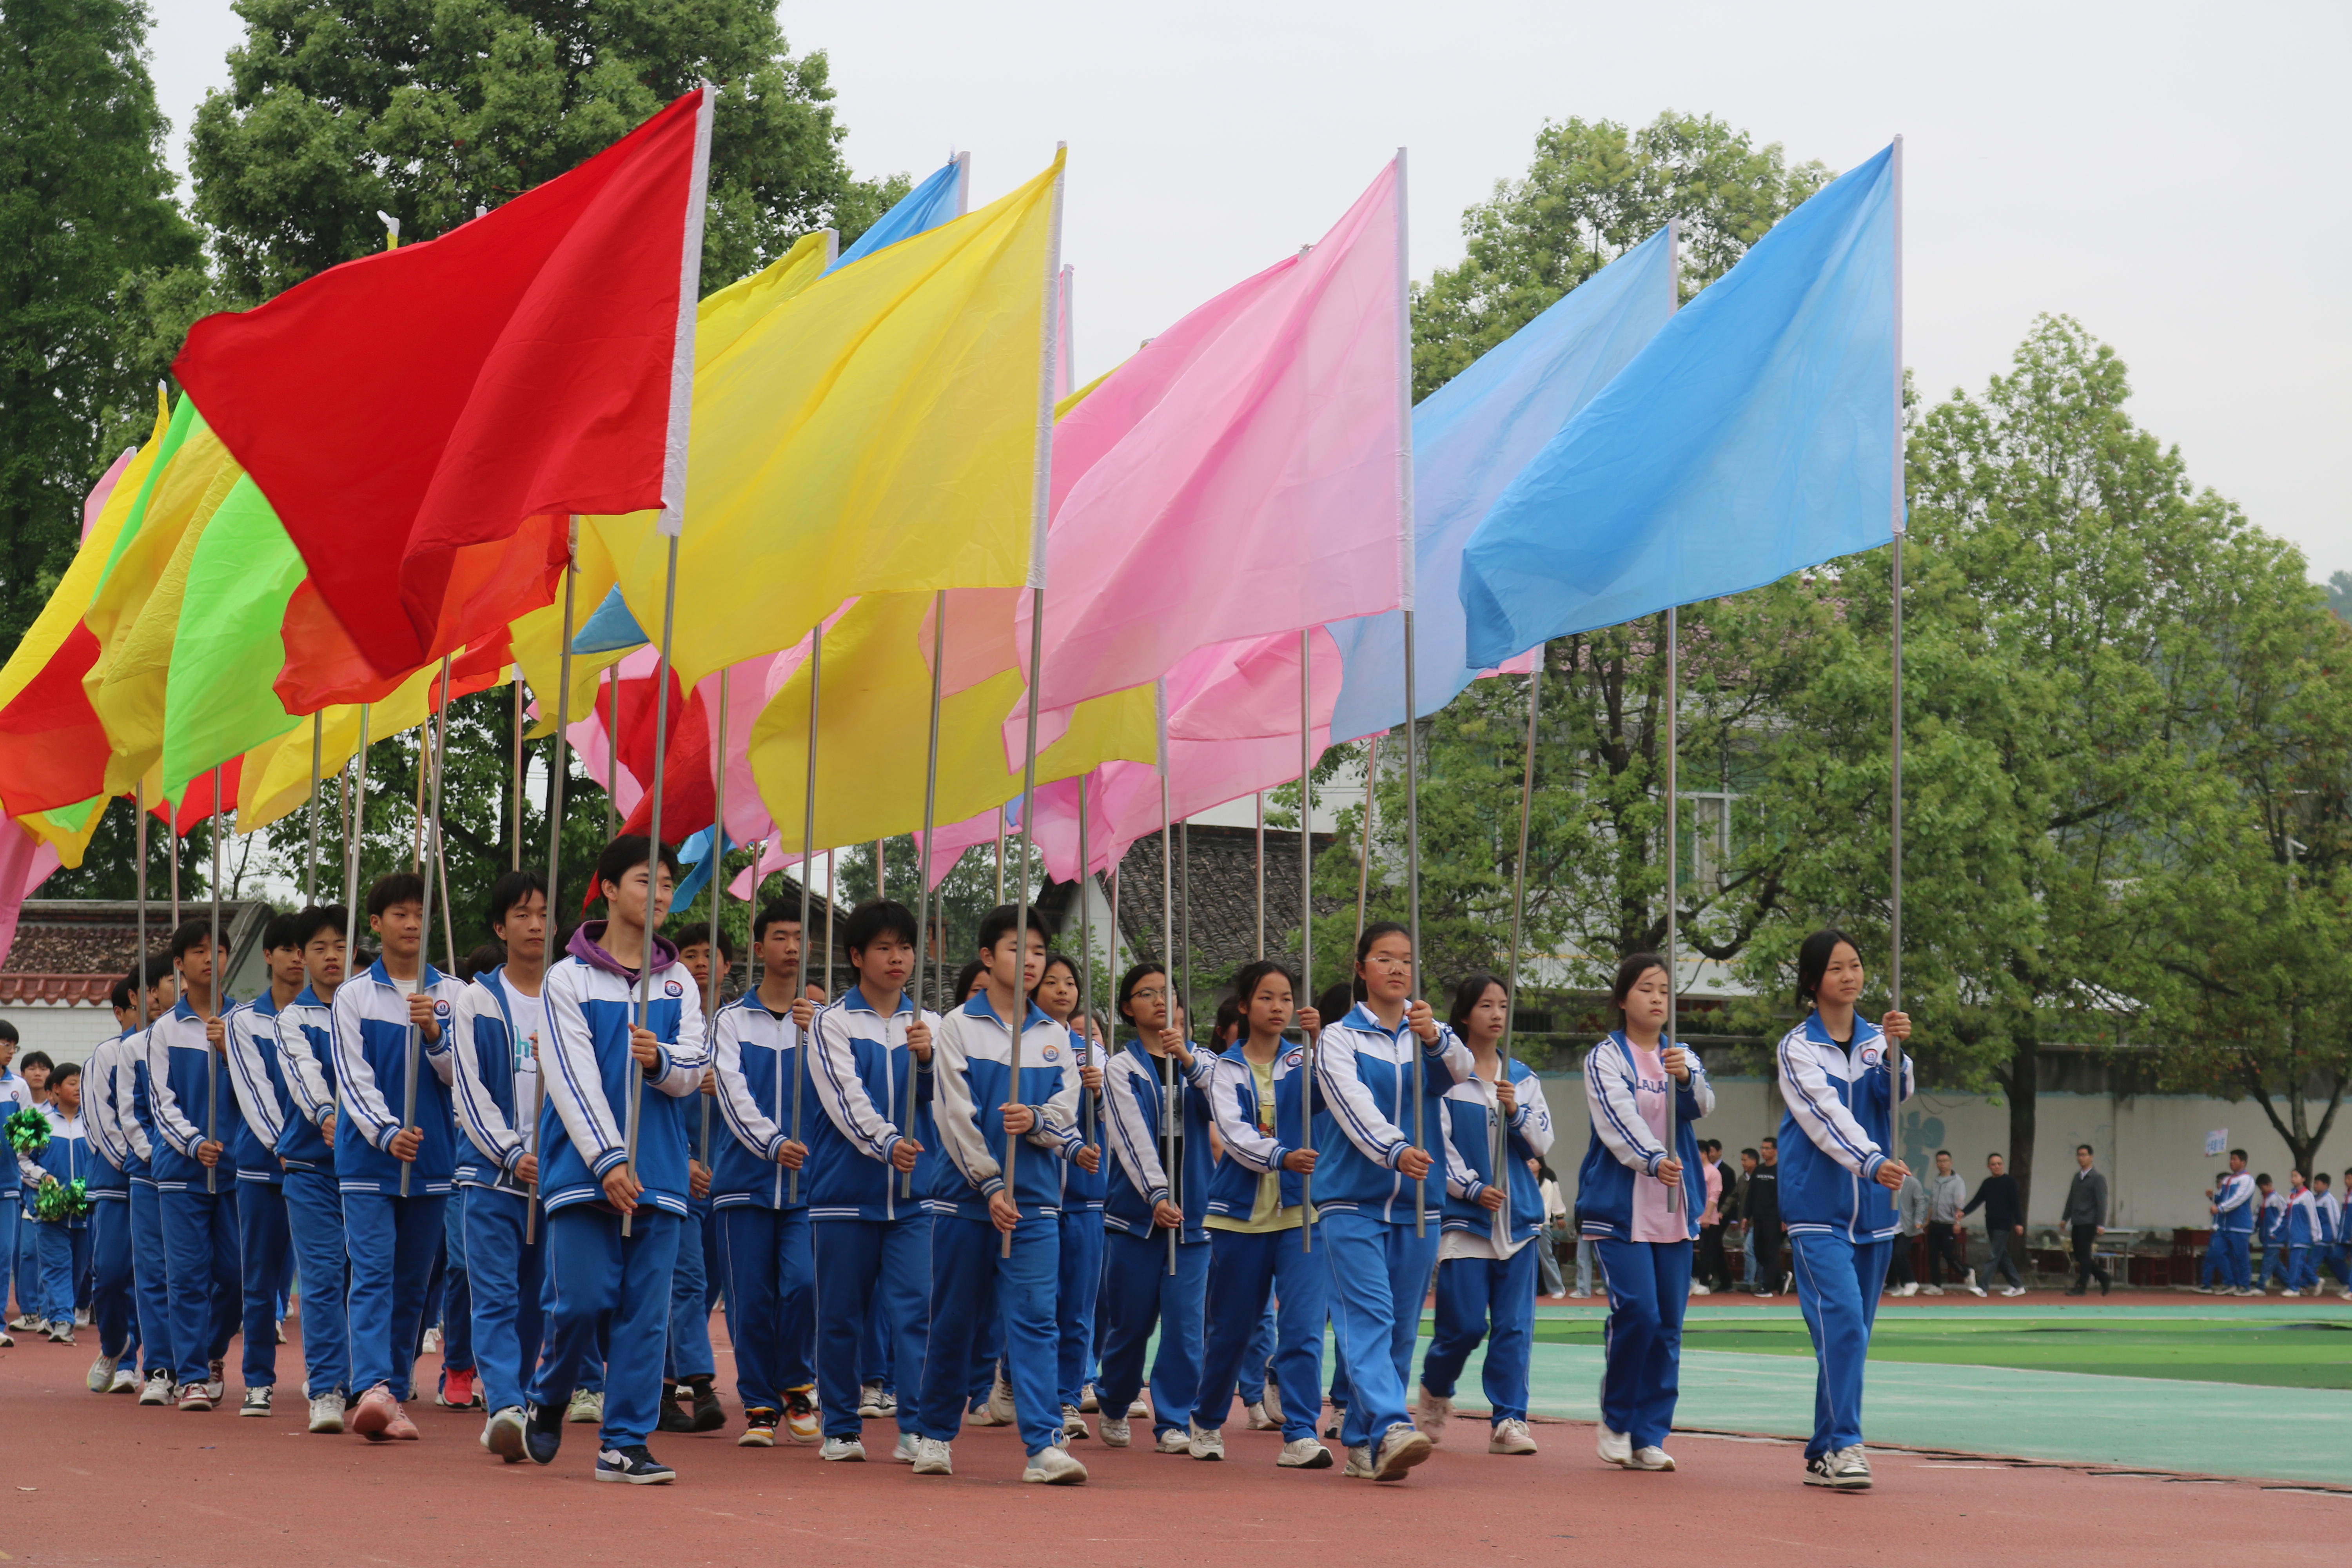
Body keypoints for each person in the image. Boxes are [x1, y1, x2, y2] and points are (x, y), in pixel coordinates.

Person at [521, 836, 708, 1485]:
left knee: (643, 1312)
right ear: (607, 889)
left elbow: (695, 1066)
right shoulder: (568, 978)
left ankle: (624, 1443)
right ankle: (550, 1392)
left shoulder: (678, 980)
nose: (657, 894)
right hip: (583, 1168)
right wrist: (607, 1159)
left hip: (659, 1168)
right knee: (582, 1299)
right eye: (643, 881)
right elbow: (570, 1077)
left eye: (665, 884)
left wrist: (660, 1061)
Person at [908, 903, 1089, 1485]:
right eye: (1018, 949)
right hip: (966, 1201)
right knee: (956, 1320)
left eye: (1038, 950)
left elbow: (1064, 1113)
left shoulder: (1056, 1035)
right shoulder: (957, 1027)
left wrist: (1033, 1119)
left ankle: (1044, 1446)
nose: (1031, 961)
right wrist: (988, 1182)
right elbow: (953, 1116)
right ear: (987, 959)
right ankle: (935, 1435)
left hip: (1035, 1203)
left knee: (1036, 1320)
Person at [1310, 921, 1473, 1483]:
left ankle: (1364, 1442)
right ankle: (1389, 1424)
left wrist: (1434, 1038)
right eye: (1384, 958)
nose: (1398, 969)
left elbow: (1461, 1074)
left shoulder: (1429, 1031)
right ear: (1361, 970)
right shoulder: (1338, 1037)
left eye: (1405, 959)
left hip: (1419, 1205)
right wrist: (1395, 1148)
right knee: (1369, 1318)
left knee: (1402, 1329)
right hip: (1352, 1200)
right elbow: (1352, 1107)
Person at [804, 898, 946, 1464]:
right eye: (884, 948)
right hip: (844, 1197)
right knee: (841, 1314)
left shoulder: (931, 1024)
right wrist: (887, 1143)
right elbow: (844, 1099)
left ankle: (915, 1425)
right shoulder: (831, 1022)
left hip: (915, 1199)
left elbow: (955, 1100)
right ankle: (840, 1426)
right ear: (858, 956)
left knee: (916, 1312)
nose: (897, 958)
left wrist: (931, 1062)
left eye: (905, 947)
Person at [1775, 927, 1913, 1490]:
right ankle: (1846, 1445)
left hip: (1876, 1215)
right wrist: (1872, 1160)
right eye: (1836, 968)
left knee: (1849, 1335)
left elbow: (1897, 1096)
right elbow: (1825, 1116)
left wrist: (1896, 1055)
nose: (1850, 976)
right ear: (1813, 982)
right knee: (1843, 1328)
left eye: (1855, 965)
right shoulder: (1797, 1048)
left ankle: (1822, 1446)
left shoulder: (1880, 1038)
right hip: (1818, 1210)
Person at [330, 874, 463, 1441]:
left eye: (419, 914)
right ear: (377, 923)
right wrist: (386, 1134)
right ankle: (371, 1388)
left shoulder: (455, 994)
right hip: (368, 1161)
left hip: (432, 1161)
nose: (411, 924)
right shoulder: (353, 995)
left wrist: (435, 1033)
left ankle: (396, 1387)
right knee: (373, 1274)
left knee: (415, 1282)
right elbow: (353, 1080)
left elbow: (466, 1076)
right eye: (400, 914)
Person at [1192, 959, 1331, 1468]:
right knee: (1231, 1329)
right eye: (1268, 998)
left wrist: (1323, 1048)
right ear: (1245, 1006)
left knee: (1302, 1328)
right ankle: (1207, 1421)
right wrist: (1281, 1156)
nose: (1279, 1007)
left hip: (1299, 1216)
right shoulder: (1223, 1069)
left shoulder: (1304, 1060)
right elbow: (1233, 1133)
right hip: (1238, 1221)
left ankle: (1299, 1431)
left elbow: (1331, 1100)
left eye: (1287, 998)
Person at [1575, 953, 1710, 1470]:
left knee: (1669, 1326)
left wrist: (1684, 1080)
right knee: (1639, 1312)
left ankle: (1649, 1433)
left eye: (1663, 990)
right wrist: (1653, 1159)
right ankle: (1616, 1419)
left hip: (1675, 1212)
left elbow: (1702, 1105)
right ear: (1623, 998)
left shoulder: (1681, 1055)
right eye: (1647, 989)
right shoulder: (1606, 1057)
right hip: (1621, 1209)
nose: (1657, 998)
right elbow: (1617, 1118)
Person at [1419, 971, 1553, 1459]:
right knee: (1464, 1326)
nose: (1497, 1014)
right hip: (1467, 1222)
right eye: (1486, 1006)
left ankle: (1509, 1418)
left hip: (1518, 1222)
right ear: (1464, 1015)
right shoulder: (1446, 1082)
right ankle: (1436, 1387)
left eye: (1503, 1006)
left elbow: (1542, 1140)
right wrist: (1472, 1189)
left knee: (1515, 1326)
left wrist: (1515, 1112)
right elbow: (1440, 1146)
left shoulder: (1522, 1077)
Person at [451, 871, 554, 1461]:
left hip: (555, 1179)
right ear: (500, 927)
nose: (535, 925)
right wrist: (515, 1154)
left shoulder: (568, 996)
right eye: (522, 914)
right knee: (493, 1296)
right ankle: (507, 1407)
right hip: (492, 1177)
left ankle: (520, 1398)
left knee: (539, 1300)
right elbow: (469, 1092)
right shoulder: (477, 1000)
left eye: (543, 914)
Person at [710, 897, 819, 1450]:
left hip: (807, 1189)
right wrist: (773, 1144)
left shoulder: (821, 1024)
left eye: (799, 937)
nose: (792, 947)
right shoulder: (730, 1021)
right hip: (742, 1185)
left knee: (803, 1284)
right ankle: (759, 1403)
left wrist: (816, 1036)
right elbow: (732, 1096)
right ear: (759, 948)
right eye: (780, 936)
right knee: (750, 1298)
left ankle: (798, 1385)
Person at [1096, 958, 1216, 1458]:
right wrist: (1156, 1194)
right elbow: (1130, 1137)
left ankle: (1172, 1417)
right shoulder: (1120, 1068)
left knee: (1187, 1327)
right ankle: (1115, 1400)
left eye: (1168, 991)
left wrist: (1187, 1062)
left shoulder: (1202, 1060)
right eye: (1147, 993)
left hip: (1193, 1218)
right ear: (1129, 1007)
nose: (1160, 1000)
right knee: (1131, 1323)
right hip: (1137, 1219)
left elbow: (1227, 1108)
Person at [145, 918, 244, 1413]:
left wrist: (230, 1051)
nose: (211, 958)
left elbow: (258, 1092)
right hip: (180, 1172)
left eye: (219, 950)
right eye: (200, 951)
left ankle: (210, 1350)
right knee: (186, 1276)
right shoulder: (164, 1030)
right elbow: (162, 1104)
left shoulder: (242, 1022)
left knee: (238, 1274)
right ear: (180, 964)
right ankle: (192, 1376)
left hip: (234, 1170)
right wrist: (193, 1143)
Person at [220, 913, 305, 1416]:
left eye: (306, 948)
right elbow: (256, 1098)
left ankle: (330, 1379)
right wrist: (290, 1147)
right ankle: (257, 1379)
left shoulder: (335, 1015)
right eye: (288, 948)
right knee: (259, 1277)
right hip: (264, 1167)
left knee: (328, 1280)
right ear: (268, 956)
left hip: (322, 1168)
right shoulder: (244, 1022)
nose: (298, 957)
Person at [273, 906, 352, 1431]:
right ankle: (327, 1388)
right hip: (311, 1166)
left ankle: (370, 1378)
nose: (332, 957)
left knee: (367, 1280)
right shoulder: (292, 1019)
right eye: (320, 948)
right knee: (322, 1278)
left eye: (340, 946)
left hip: (372, 1169)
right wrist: (329, 1116)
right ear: (302, 956)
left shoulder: (368, 1009)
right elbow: (305, 1078)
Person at [1026, 952, 1108, 1445]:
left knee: (1078, 1304)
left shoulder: (1094, 1052)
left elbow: (1114, 1126)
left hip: (1083, 1197)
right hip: (1034, 1192)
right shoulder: (1019, 1042)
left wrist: (1098, 1095)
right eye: (1051, 981)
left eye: (1070, 982)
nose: (1062, 989)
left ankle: (1068, 1397)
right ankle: (1021, 1385)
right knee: (1037, 1302)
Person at [81, 973, 149, 1392]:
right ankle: (114, 1344)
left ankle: (138, 1362)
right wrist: (138, 1159)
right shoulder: (107, 1054)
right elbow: (100, 1123)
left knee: (151, 1277)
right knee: (109, 1273)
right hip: (119, 1179)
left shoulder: (172, 1045)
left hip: (165, 1180)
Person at [121, 958, 181, 1401]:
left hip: (209, 1174)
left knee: (216, 1273)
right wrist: (158, 1157)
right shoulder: (135, 1046)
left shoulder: (221, 1032)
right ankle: (160, 1367)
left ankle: (202, 1357)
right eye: (168, 980)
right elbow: (130, 1114)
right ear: (153, 992)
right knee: (155, 1274)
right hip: (152, 1176)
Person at [20, 1062, 92, 1343]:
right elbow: (24, 1161)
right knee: (56, 1266)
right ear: (55, 1090)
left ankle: (61, 1313)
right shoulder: (41, 1124)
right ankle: (63, 1320)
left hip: (86, 1211)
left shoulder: (94, 1123)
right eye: (72, 1083)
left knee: (79, 1269)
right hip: (50, 1212)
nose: (78, 1089)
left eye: (80, 1083)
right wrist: (43, 1177)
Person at [1962, 1154, 2027, 1296]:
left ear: (2003, 1165)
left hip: (2003, 1225)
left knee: (1994, 1256)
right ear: (1989, 1167)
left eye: (1999, 1164)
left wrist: (2019, 1223)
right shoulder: (1987, 1183)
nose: (1997, 1167)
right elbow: (1977, 1200)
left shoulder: (2010, 1181)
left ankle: (1983, 1287)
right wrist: (1963, 1213)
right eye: (1993, 1164)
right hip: (1991, 1223)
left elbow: (2016, 1204)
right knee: (2002, 1256)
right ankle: (2018, 1286)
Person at [1923, 1151, 1981, 1295]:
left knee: (1949, 1254)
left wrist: (1957, 1223)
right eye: (1940, 1161)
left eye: (1945, 1161)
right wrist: (1927, 1221)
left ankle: (1967, 1271)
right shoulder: (1936, 1181)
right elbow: (1932, 1203)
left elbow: (1959, 1204)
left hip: (1949, 1224)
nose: (1942, 1164)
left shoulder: (1957, 1182)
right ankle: (1936, 1286)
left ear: (1951, 1162)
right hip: (1935, 1224)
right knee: (1932, 1255)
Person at [2063, 1143, 2111, 1296]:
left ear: (2091, 1157)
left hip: (2089, 1222)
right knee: (2080, 1255)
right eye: (2079, 1155)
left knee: (2084, 1255)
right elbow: (2071, 1199)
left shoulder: (2097, 1178)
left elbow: (2102, 1202)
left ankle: (2082, 1286)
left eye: (2084, 1155)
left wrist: (2101, 1224)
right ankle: (2104, 1277)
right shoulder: (2077, 1178)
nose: (2081, 1158)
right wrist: (2065, 1218)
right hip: (2077, 1221)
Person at [2207, 1150, 2258, 1296]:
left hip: (2240, 1226)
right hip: (2224, 1226)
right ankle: (2229, 1282)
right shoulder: (2228, 1180)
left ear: (2243, 1162)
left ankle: (2244, 1285)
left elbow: (2238, 1199)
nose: (2232, 1162)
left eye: (2235, 1159)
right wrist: (2214, 1197)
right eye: (2231, 1159)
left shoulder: (2247, 1180)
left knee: (2241, 1256)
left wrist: (2220, 1208)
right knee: (2217, 1252)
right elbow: (2224, 1198)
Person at [1746, 1140, 1782, 1296]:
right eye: (1762, 1148)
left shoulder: (1781, 1171)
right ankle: (1781, 1278)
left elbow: (1785, 1195)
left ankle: (1767, 1287)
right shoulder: (1758, 1170)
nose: (1764, 1151)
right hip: (1758, 1217)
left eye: (1768, 1149)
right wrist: (1746, 1216)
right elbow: (1751, 1194)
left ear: (1776, 1151)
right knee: (1759, 1252)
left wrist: (1785, 1218)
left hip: (1774, 1218)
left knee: (1771, 1252)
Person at [1695, 1139, 1730, 1292]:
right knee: (1692, 1249)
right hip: (1694, 1217)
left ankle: (1705, 1283)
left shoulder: (1714, 1173)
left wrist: (1708, 1216)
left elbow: (1714, 1196)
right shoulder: (1696, 1171)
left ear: (1704, 1154)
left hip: (1708, 1218)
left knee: (1707, 1252)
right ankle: (1698, 1278)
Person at [1887, 1165, 1927, 1297]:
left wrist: (1918, 1221)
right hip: (1892, 1227)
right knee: (1892, 1256)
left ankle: (1911, 1282)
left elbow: (1921, 1202)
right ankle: (1901, 1284)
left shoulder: (1912, 1183)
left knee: (1900, 1254)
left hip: (1907, 1226)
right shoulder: (1888, 1182)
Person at [2279, 1171, 2318, 1297]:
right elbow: (2285, 1216)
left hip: (2303, 1235)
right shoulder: (2291, 1195)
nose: (2293, 1179)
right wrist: (2276, 1231)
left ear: (2304, 1178)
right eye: (2292, 1176)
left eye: (2296, 1176)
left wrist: (2316, 1234)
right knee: (2297, 1262)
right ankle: (2316, 1281)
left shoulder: (2308, 1196)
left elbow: (2313, 1216)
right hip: (2293, 1236)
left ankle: (2294, 1288)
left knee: (2296, 1262)